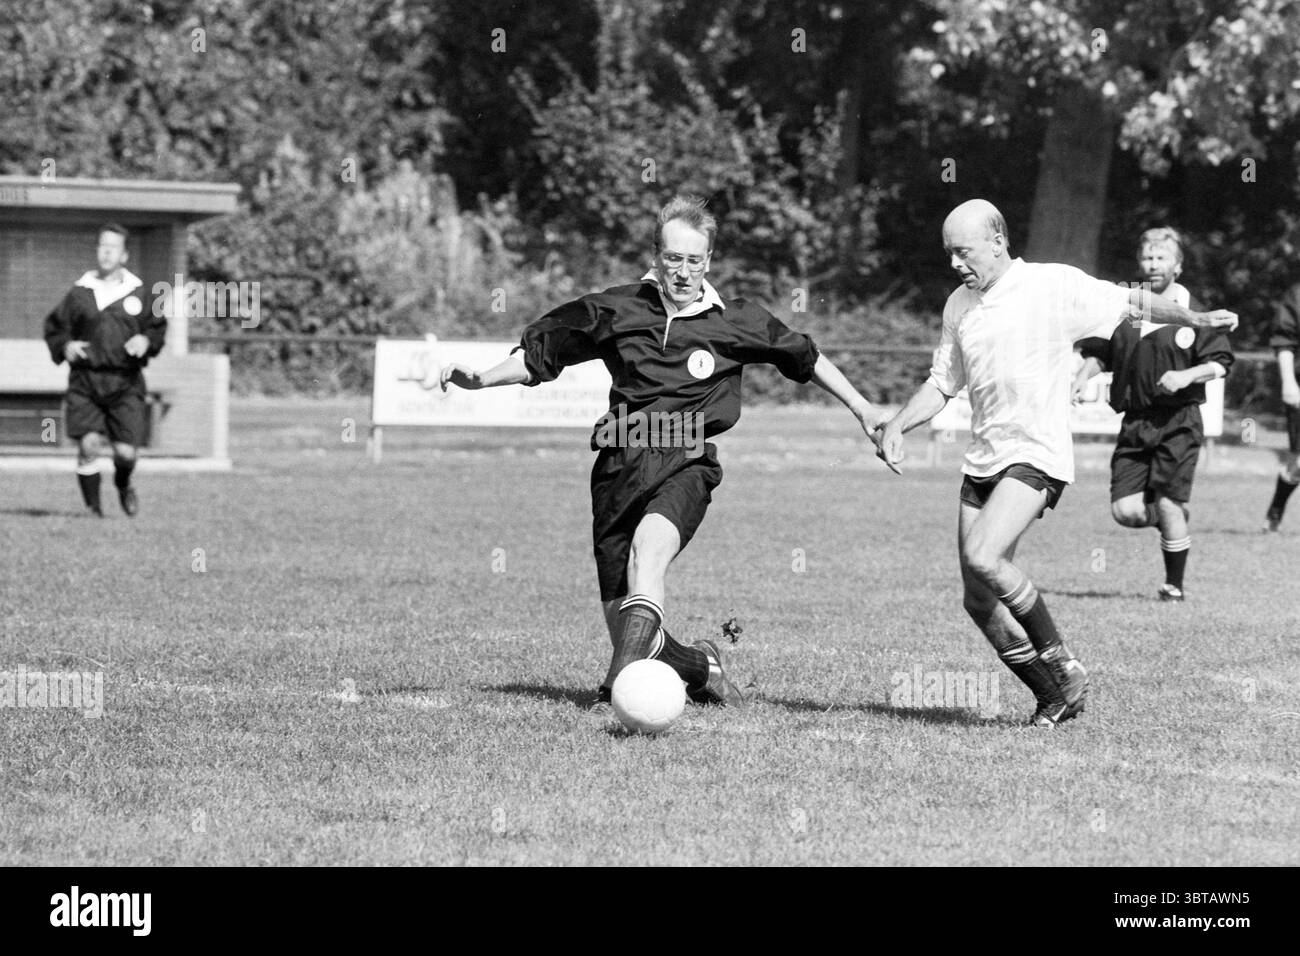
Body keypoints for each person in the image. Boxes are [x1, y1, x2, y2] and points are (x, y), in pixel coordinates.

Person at [440, 195, 887, 707]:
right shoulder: (616, 308)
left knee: (647, 552)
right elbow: (544, 356)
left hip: (686, 460)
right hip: (616, 465)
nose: (682, 271)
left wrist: (863, 408)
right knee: (627, 622)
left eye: (694, 260)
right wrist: (482, 379)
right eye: (673, 258)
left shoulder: (735, 320)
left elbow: (804, 356)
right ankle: (701, 665)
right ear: (656, 256)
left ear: (709, 261)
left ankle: (619, 690)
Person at [874, 200, 1237, 727]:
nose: (955, 263)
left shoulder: (1051, 285)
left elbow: (1134, 302)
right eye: (949, 254)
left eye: (963, 252)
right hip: (984, 459)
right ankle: (1054, 696)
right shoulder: (959, 304)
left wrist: (1195, 318)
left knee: (983, 555)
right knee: (978, 601)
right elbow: (942, 384)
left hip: (1036, 454)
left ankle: (1062, 661)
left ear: (997, 240)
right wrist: (895, 424)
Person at [1071, 227, 1234, 601]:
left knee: (1166, 501)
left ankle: (1173, 587)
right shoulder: (1127, 308)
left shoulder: (1194, 310)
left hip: (1179, 420)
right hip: (1136, 421)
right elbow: (1101, 354)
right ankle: (1174, 519)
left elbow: (1221, 363)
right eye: (1148, 257)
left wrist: (1187, 375)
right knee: (1125, 511)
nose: (1153, 264)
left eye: (1162, 258)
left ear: (1177, 265)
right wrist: (1082, 377)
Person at [42, 223, 166, 517]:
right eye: (102, 245)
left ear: (124, 255)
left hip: (125, 382)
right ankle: (94, 512)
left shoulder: (141, 293)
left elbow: (158, 330)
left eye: (113, 247)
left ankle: (123, 484)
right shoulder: (79, 293)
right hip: (85, 381)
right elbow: (55, 329)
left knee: (126, 453)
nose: (106, 252)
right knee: (88, 445)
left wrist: (146, 339)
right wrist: (65, 346)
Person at [1263, 282, 1300, 531]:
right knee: (1298, 464)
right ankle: (1276, 509)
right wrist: (1289, 382)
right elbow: (1284, 341)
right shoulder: (1296, 294)